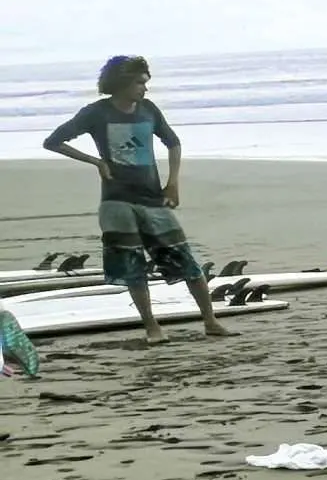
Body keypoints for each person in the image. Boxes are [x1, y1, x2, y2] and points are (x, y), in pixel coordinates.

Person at [41, 58, 231, 345]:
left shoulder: (149, 109)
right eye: (139, 82)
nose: (144, 88)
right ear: (121, 83)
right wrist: (95, 161)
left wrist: (173, 182)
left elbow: (173, 142)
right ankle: (152, 328)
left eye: (145, 82)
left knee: (185, 261)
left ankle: (211, 321)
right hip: (116, 203)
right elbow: (53, 141)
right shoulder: (96, 113)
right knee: (132, 268)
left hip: (153, 200)